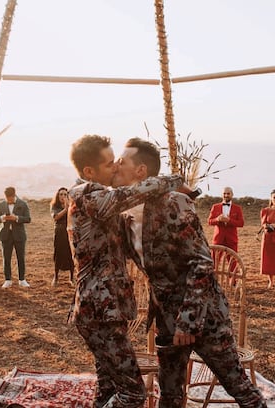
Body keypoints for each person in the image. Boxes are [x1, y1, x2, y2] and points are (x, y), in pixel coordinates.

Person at [114, 138, 266, 408]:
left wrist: (188, 320)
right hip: (165, 319)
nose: (116, 164)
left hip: (204, 316)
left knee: (238, 387)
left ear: (141, 171)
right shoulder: (125, 213)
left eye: (122, 160)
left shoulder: (175, 203)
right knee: (170, 395)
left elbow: (202, 262)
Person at [67, 134, 187, 408]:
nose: (116, 167)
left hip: (105, 310)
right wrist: (171, 180)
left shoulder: (99, 201)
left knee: (109, 386)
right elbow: (130, 194)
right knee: (133, 394)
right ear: (89, 171)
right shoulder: (85, 196)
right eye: (110, 163)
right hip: (100, 311)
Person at [0, 186, 31, 288]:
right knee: (6, 258)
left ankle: (22, 279)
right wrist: (3, 218)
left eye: (10, 198)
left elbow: (28, 218)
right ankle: (7, 279)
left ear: (14, 195)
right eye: (7, 198)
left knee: (21, 257)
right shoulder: (1, 204)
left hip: (19, 235)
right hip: (5, 235)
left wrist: (17, 218)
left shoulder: (23, 204)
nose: (8, 200)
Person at [50, 187, 74, 287]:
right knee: (58, 253)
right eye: (61, 194)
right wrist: (66, 209)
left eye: (65, 194)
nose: (63, 196)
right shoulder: (54, 206)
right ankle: (56, 277)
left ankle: (72, 278)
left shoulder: (72, 206)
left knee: (71, 254)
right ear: (57, 195)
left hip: (70, 232)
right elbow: (55, 217)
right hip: (59, 232)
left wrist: (70, 208)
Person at [207, 186, 244, 252]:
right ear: (222, 195)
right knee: (215, 261)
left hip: (232, 240)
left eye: (228, 193)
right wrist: (217, 219)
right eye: (224, 193)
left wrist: (229, 221)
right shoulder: (215, 207)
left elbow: (241, 223)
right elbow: (209, 221)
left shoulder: (237, 208)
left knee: (232, 261)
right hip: (218, 239)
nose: (226, 195)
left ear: (232, 194)